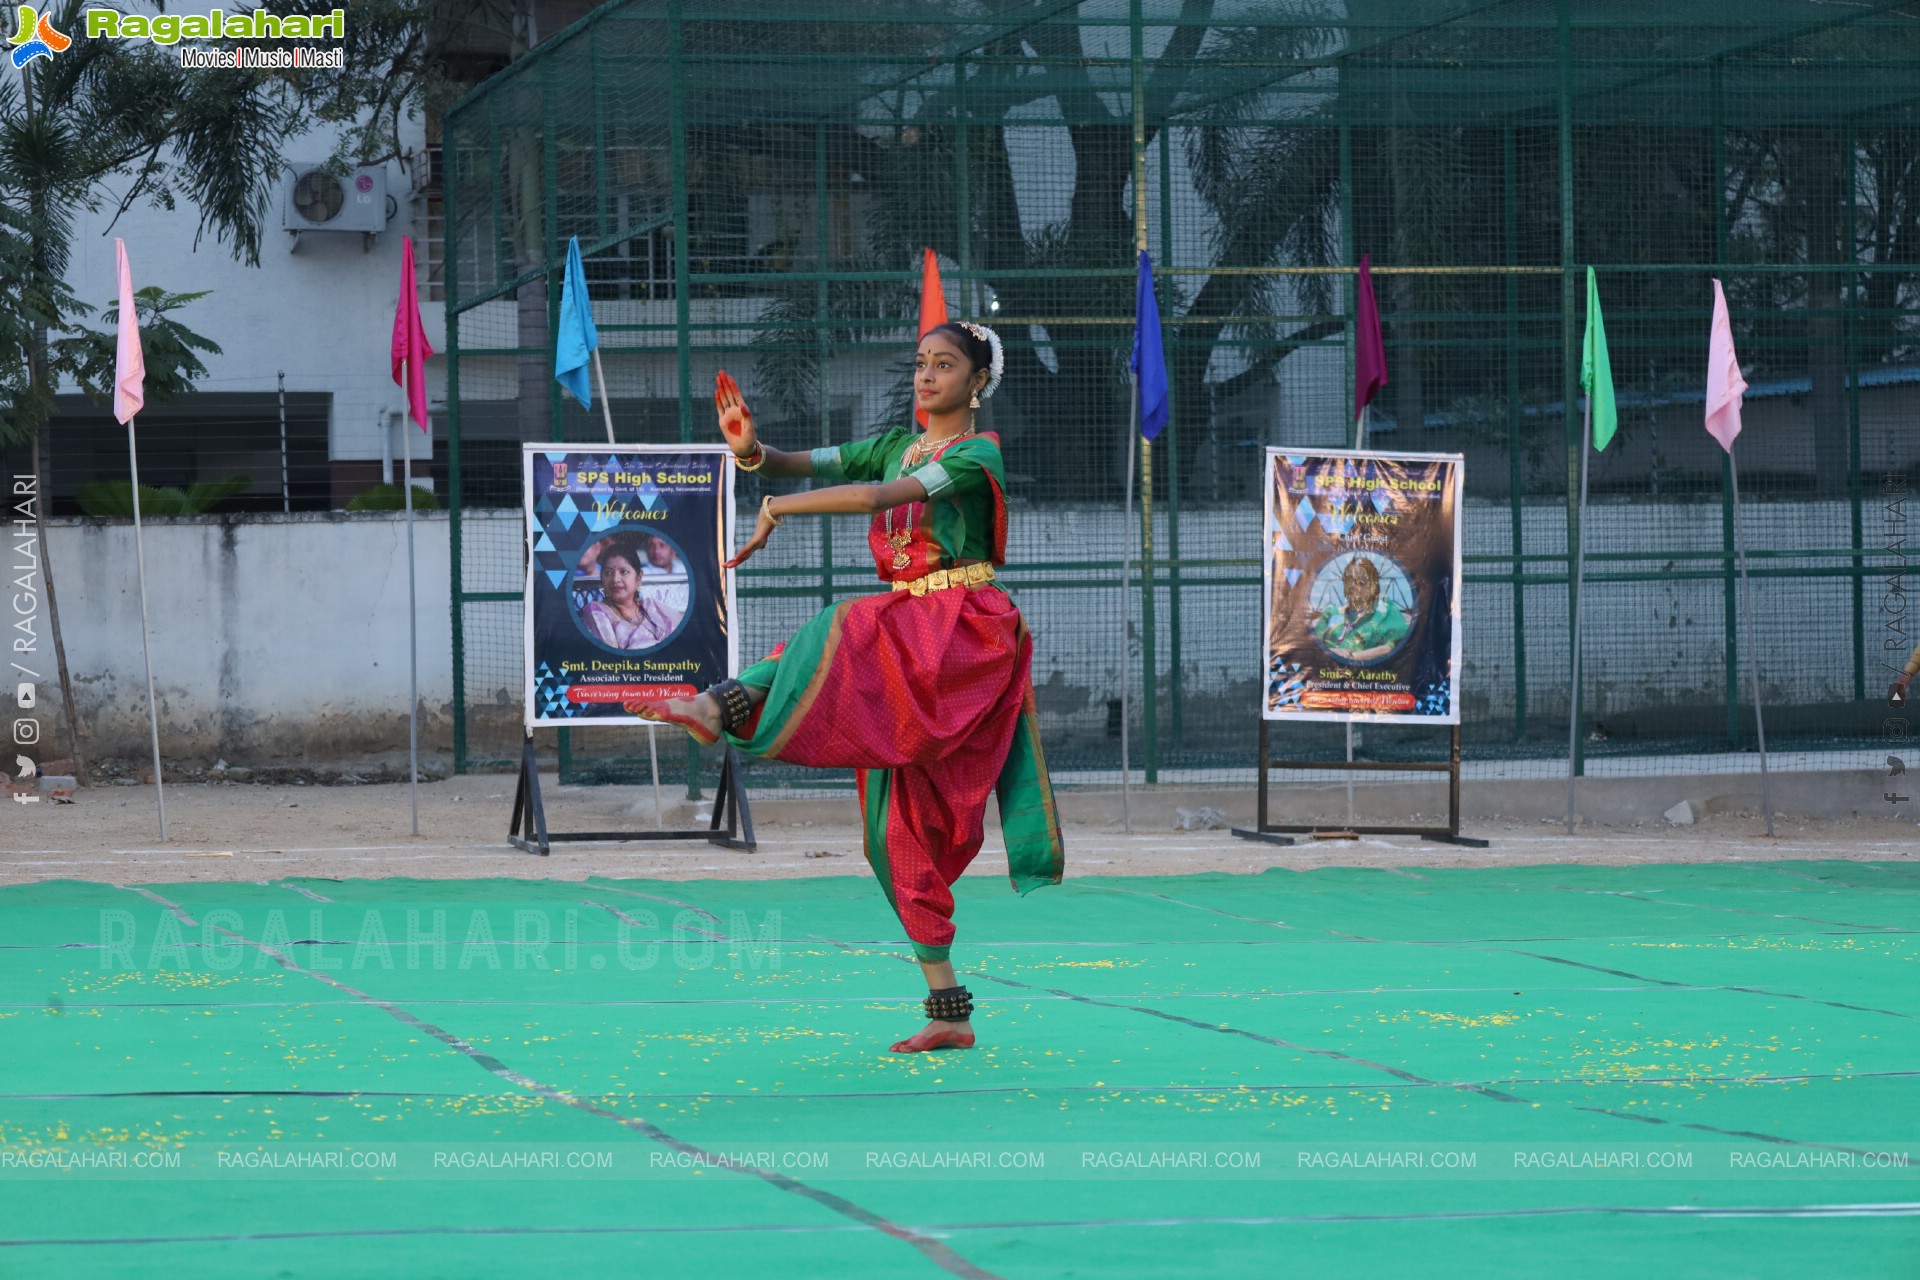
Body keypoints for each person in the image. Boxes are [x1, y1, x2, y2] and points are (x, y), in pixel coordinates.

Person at [628, 322, 1064, 1054]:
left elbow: (872, 499)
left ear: (978, 381)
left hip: (962, 631)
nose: (927, 375)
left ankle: (717, 704)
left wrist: (778, 509)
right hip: (909, 633)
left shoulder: (975, 454)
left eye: (945, 364)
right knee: (889, 834)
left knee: (845, 626)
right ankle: (949, 1010)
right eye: (921, 362)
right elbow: (794, 462)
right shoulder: (895, 443)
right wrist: (751, 452)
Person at [579, 540, 681, 650]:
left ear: (639, 578)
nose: (615, 579)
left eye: (624, 572)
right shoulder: (596, 611)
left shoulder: (653, 607)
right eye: (608, 573)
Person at [1312, 554, 1410, 663]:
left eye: (1361, 583)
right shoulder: (1330, 613)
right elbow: (1314, 646)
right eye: (1349, 581)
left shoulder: (1387, 612)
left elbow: (1391, 647)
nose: (1354, 587)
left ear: (1373, 585)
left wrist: (1352, 656)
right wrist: (1331, 652)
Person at [639, 534, 690, 614]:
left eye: (662, 545)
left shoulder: (684, 568)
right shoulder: (641, 573)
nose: (656, 551)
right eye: (651, 546)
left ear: (673, 550)